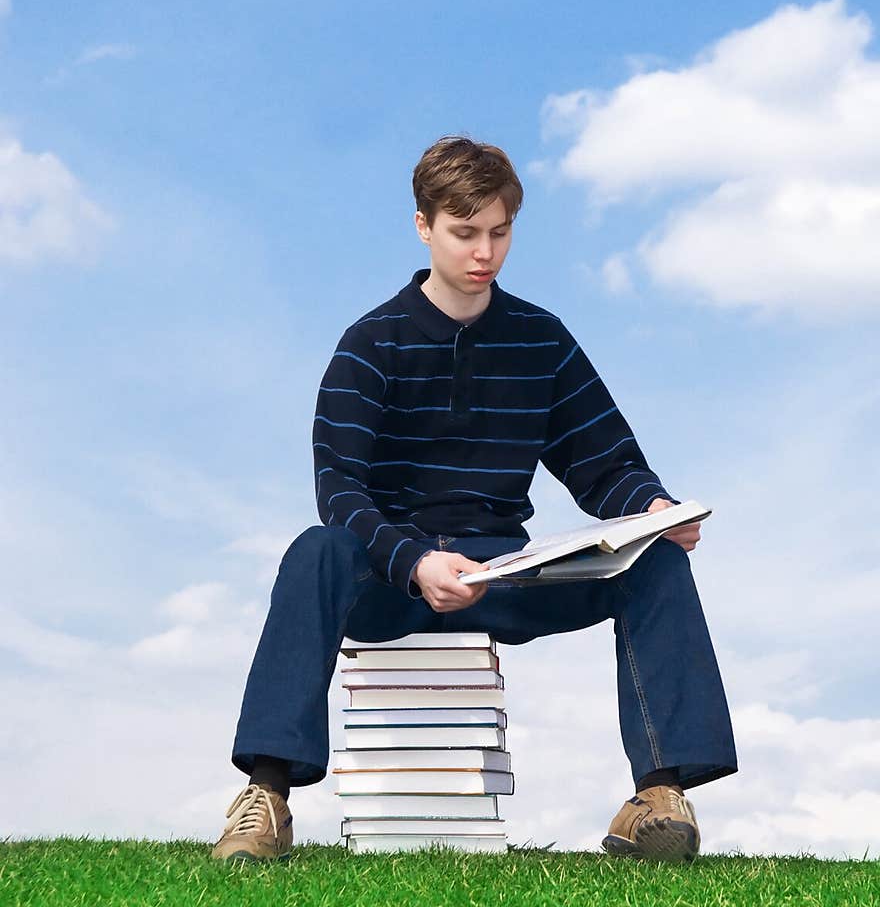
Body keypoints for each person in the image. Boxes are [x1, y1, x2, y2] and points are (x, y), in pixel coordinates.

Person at [212, 136, 737, 864]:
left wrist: (651, 507)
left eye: (499, 232)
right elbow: (339, 492)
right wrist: (413, 560)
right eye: (464, 233)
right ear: (424, 226)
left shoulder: (542, 340)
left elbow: (603, 461)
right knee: (314, 549)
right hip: (388, 575)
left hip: (503, 570)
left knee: (654, 562)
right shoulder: (370, 344)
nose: (484, 251)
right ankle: (266, 795)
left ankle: (655, 794)